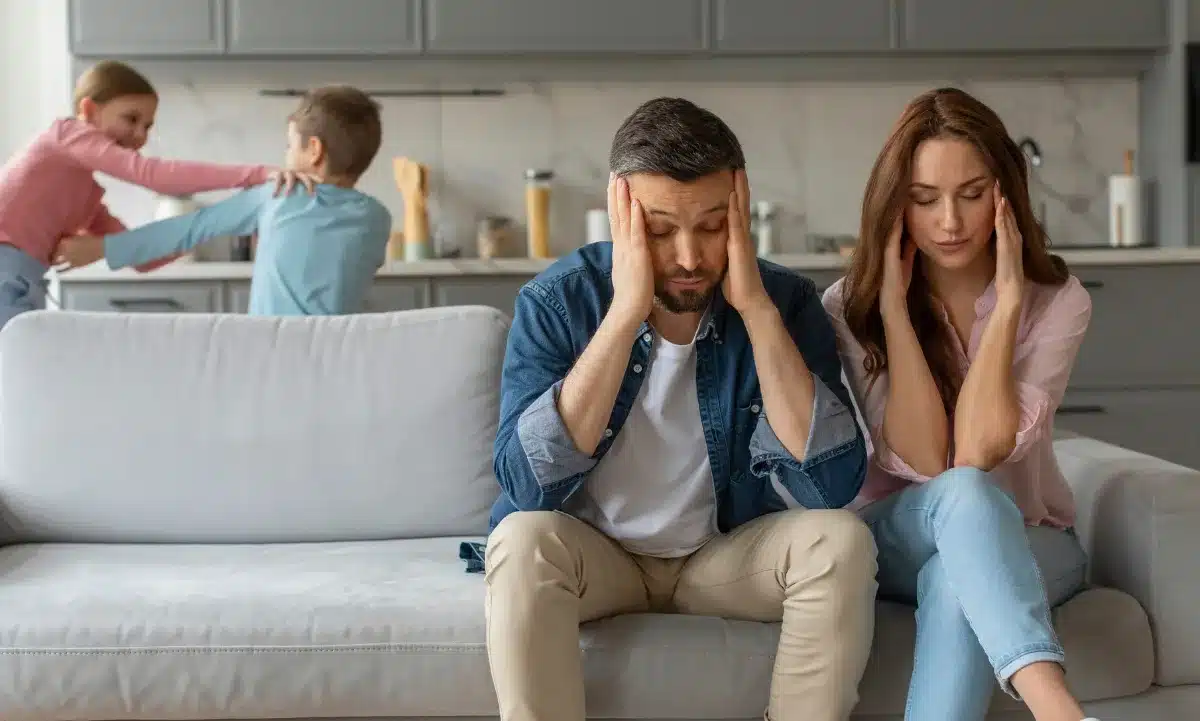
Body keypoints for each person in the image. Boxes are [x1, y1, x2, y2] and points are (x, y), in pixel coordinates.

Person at [478, 97, 877, 721]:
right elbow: (528, 486)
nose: (689, 258)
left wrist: (756, 311)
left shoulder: (785, 303)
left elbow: (829, 485)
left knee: (841, 540)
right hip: (598, 557)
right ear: (620, 212)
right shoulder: (559, 301)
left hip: (720, 558)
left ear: (739, 208)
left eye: (712, 226)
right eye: (660, 231)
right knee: (521, 539)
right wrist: (623, 315)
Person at [822, 87, 1099, 721]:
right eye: (924, 199)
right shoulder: (848, 307)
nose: (949, 222)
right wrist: (893, 312)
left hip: (1028, 534)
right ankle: (1060, 710)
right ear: (896, 204)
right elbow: (932, 463)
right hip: (895, 534)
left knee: (958, 577)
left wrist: (1007, 308)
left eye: (971, 195)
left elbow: (978, 450)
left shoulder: (1058, 303)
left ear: (1006, 195)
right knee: (964, 497)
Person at [0, 60, 312, 330]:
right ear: (89, 110)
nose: (140, 135)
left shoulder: (85, 198)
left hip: (23, 282)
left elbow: (144, 259)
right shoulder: (67, 133)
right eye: (131, 119)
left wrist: (223, 219)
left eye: (148, 126)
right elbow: (153, 175)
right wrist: (258, 173)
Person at [54, 85, 392, 317]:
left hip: (271, 355)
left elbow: (189, 229)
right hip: (337, 360)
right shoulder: (378, 218)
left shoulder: (278, 196)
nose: (285, 155)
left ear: (314, 150)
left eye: (290, 146)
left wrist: (102, 248)